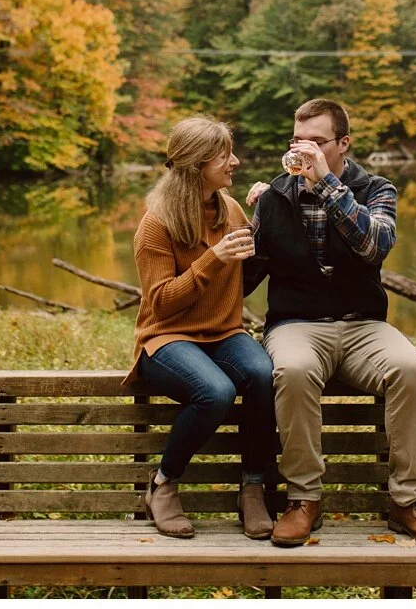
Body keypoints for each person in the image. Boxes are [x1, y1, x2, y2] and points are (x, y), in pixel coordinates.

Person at [243, 98, 416, 549]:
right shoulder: (274, 196)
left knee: (409, 368)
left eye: (318, 143)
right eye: (300, 142)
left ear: (343, 144)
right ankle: (303, 500)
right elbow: (247, 278)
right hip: (296, 324)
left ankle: (409, 503)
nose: (307, 151)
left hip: (363, 326)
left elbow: (373, 246)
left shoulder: (376, 188)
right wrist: (236, 223)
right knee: (294, 370)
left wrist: (327, 185)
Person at [125, 116, 276, 540]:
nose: (236, 162)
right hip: (166, 338)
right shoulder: (157, 223)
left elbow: (243, 281)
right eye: (225, 155)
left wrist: (269, 216)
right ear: (197, 166)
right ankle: (163, 483)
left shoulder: (229, 209)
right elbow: (161, 302)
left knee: (263, 375)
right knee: (216, 391)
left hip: (225, 332)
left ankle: (252, 487)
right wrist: (213, 260)